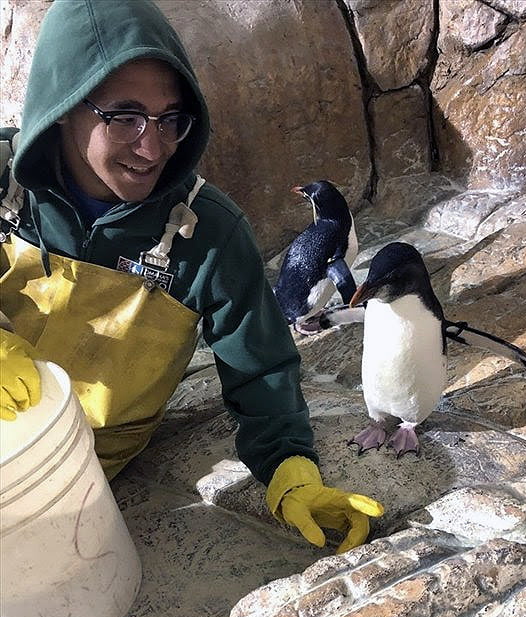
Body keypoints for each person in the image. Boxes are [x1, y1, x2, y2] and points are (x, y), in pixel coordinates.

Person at [0, 0, 383, 554]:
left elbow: (260, 366)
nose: (151, 148)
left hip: (79, 468)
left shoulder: (208, 233)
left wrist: (291, 471)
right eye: (124, 117)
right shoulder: (6, 176)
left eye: (170, 119)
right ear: (63, 107)